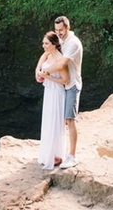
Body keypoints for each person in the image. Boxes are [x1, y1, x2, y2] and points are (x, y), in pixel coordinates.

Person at [38, 16, 83, 169]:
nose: (58, 33)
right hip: (60, 87)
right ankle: (57, 154)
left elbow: (61, 64)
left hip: (72, 85)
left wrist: (45, 73)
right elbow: (46, 53)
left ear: (68, 28)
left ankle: (72, 157)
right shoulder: (60, 40)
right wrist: (37, 70)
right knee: (59, 120)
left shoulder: (73, 43)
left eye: (61, 30)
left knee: (69, 120)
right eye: (56, 30)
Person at [34, 31, 69, 170]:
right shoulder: (48, 54)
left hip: (57, 93)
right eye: (43, 43)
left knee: (55, 122)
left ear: (54, 44)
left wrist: (48, 77)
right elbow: (41, 59)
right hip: (48, 91)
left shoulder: (60, 59)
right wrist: (38, 72)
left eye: (46, 43)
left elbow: (65, 80)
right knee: (48, 121)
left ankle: (56, 155)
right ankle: (49, 153)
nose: (43, 46)